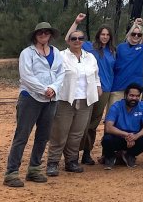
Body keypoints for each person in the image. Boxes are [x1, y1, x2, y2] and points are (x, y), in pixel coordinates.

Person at [4, 22, 65, 187]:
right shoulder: (27, 53)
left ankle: (34, 169)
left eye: (46, 32)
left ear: (50, 35)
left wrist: (53, 88)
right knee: (22, 136)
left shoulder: (56, 53)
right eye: (40, 32)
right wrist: (44, 89)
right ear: (35, 35)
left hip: (51, 99)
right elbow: (26, 76)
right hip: (30, 97)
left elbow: (61, 73)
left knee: (43, 136)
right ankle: (11, 172)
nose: (43, 35)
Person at [99, 16, 143, 165]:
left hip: (134, 91)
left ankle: (128, 151)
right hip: (118, 88)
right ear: (128, 35)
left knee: (135, 121)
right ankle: (107, 154)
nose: (136, 37)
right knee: (111, 121)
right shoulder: (120, 48)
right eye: (134, 34)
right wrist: (134, 25)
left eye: (139, 35)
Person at [45, 29, 101, 176]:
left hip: (85, 100)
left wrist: (98, 87)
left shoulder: (90, 57)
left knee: (77, 133)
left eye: (80, 38)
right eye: (74, 38)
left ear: (84, 40)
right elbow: (53, 75)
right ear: (68, 40)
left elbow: (96, 75)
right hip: (65, 99)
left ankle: (71, 161)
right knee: (59, 132)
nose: (77, 40)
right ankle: (53, 162)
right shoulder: (61, 56)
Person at [65, 13, 116, 166]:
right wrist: (76, 22)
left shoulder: (113, 51)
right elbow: (69, 39)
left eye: (107, 35)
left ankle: (86, 153)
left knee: (93, 123)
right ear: (98, 35)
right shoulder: (89, 46)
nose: (105, 37)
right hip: (87, 89)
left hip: (105, 90)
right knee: (81, 123)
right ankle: (73, 154)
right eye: (102, 34)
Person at [101, 83, 143, 169]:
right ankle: (110, 157)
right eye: (131, 95)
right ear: (125, 95)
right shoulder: (116, 106)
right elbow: (108, 127)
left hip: (134, 139)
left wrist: (136, 136)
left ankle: (129, 155)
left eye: (137, 96)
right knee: (107, 139)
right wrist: (126, 135)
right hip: (119, 137)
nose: (134, 98)